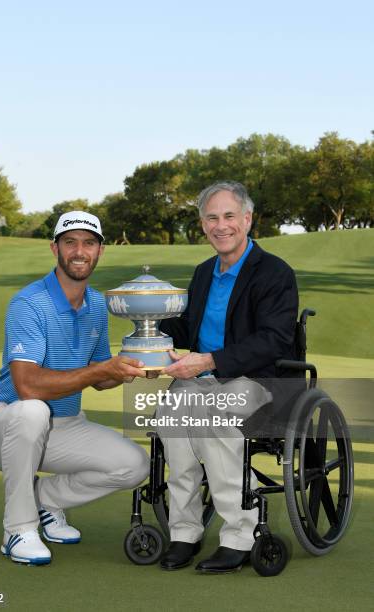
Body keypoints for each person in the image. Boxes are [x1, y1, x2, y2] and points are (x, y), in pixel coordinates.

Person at [0, 210, 149, 566]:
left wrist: (131, 367)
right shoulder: (29, 303)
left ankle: (44, 501)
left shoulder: (98, 304)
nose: (79, 251)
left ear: (101, 251)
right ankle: (18, 529)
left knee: (133, 465)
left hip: (66, 425)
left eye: (89, 243)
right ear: (55, 248)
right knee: (32, 410)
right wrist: (101, 369)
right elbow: (26, 386)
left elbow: (98, 376)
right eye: (70, 243)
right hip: (7, 423)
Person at [157, 181, 299, 573]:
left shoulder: (274, 272)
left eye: (229, 216)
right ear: (203, 225)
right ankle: (184, 531)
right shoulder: (204, 273)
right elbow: (188, 327)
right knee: (171, 416)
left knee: (214, 415)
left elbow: (273, 341)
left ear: (248, 220)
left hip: (261, 380)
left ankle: (239, 533)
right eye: (212, 218)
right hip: (203, 378)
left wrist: (208, 362)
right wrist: (148, 329)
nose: (221, 226)